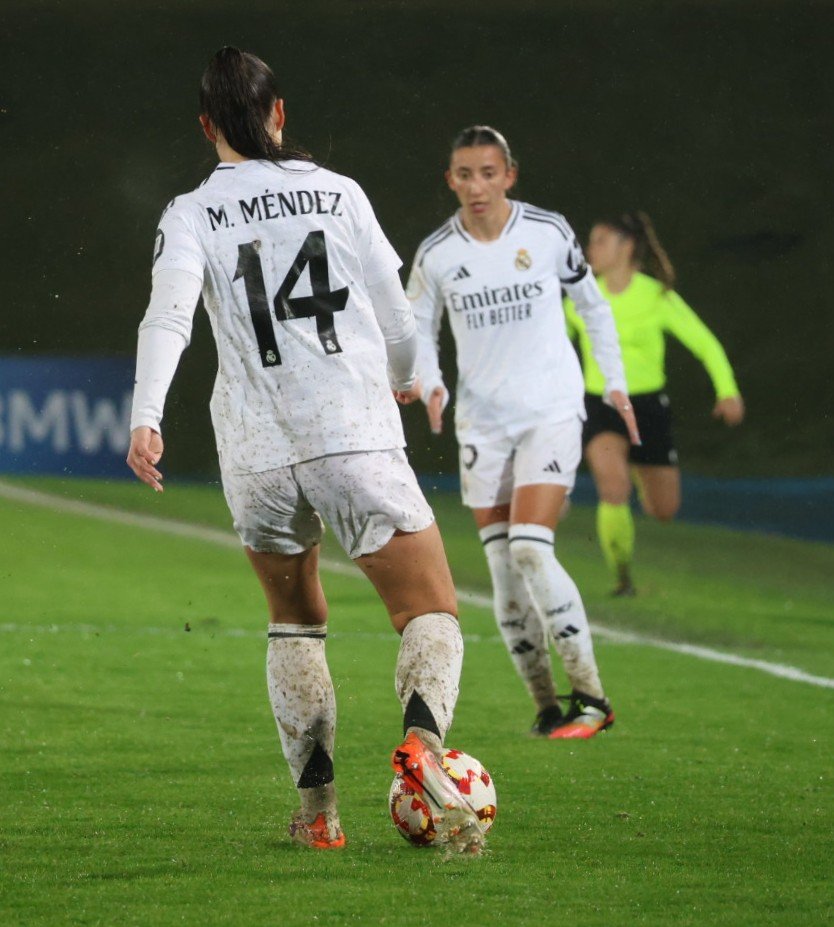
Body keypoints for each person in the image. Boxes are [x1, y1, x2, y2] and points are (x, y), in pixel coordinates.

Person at [126, 47, 486, 854]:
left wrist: (147, 416)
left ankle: (319, 813)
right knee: (428, 606)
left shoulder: (190, 211)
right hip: (348, 429)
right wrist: (404, 376)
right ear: (279, 113)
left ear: (207, 125)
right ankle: (422, 744)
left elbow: (168, 317)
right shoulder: (338, 192)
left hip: (254, 447)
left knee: (294, 621)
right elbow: (396, 319)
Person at [408, 126, 639, 740]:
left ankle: (593, 698)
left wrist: (614, 382)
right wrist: (430, 383)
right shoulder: (436, 254)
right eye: (465, 174)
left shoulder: (547, 231)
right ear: (450, 180)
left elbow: (591, 307)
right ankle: (546, 707)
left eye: (489, 173)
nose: (477, 186)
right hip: (482, 424)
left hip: (550, 411)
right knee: (505, 575)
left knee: (532, 548)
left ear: (509, 175)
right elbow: (418, 330)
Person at [565, 212, 744, 596]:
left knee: (663, 510)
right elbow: (551, 347)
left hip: (648, 408)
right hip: (600, 405)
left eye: (600, 241)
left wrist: (727, 390)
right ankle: (622, 578)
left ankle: (636, 467)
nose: (589, 249)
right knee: (613, 488)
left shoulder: (656, 297)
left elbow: (705, 343)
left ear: (626, 247)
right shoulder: (581, 298)